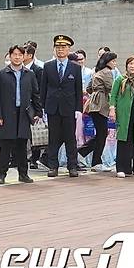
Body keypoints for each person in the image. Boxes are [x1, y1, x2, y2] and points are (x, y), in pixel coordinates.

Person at [0, 45, 42, 185]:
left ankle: (23, 174)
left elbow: (35, 94)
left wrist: (38, 112)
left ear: (24, 56)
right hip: (7, 114)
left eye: (20, 55)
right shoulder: (2, 74)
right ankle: (1, 174)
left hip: (24, 114)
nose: (17, 57)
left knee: (22, 145)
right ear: (10, 56)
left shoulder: (29, 73)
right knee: (6, 145)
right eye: (14, 54)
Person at [40, 35, 83, 178]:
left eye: (63, 47)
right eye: (58, 47)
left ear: (68, 49)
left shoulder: (75, 68)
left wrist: (78, 110)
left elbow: (78, 90)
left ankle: (72, 166)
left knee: (70, 138)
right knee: (53, 138)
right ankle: (53, 166)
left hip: (69, 108)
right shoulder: (48, 66)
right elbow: (43, 88)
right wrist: (43, 108)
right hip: (52, 107)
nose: (60, 50)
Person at [81, 52, 117, 172]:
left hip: (94, 104)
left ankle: (86, 154)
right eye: (113, 61)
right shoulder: (107, 72)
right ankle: (95, 161)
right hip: (101, 105)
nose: (114, 63)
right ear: (107, 61)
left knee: (101, 133)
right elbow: (112, 88)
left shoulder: (97, 71)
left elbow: (88, 88)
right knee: (102, 134)